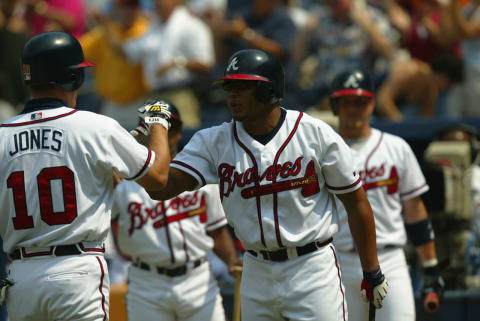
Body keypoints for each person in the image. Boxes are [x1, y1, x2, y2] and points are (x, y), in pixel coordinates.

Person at [146, 48, 388, 320]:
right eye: (229, 86)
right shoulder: (213, 141)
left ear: (268, 90)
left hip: (311, 268)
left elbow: (356, 202)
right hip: (256, 270)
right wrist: (158, 127)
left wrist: (372, 271)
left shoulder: (313, 133)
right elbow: (160, 187)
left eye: (242, 86)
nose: (232, 94)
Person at [0, 31, 171, 321]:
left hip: (21, 275)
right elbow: (158, 177)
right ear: (73, 78)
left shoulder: (2, 134)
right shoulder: (96, 126)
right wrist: (159, 123)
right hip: (76, 270)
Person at [329, 68, 445, 321]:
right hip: (337, 260)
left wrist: (430, 266)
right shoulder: (324, 150)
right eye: (346, 102)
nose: (353, 109)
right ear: (335, 105)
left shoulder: (396, 147)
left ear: (371, 104)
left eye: (360, 102)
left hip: (389, 258)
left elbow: (414, 209)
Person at [111, 100, 238, 320]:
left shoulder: (200, 178)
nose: (155, 134)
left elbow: (217, 232)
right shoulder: (123, 184)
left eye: (165, 127)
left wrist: (233, 263)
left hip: (197, 279)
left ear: (177, 132)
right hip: (146, 283)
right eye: (149, 127)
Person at [376, 52, 464, 121]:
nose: (448, 89)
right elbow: (383, 100)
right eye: (449, 84)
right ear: (443, 76)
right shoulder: (410, 71)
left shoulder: (431, 91)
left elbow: (425, 121)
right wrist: (403, 126)